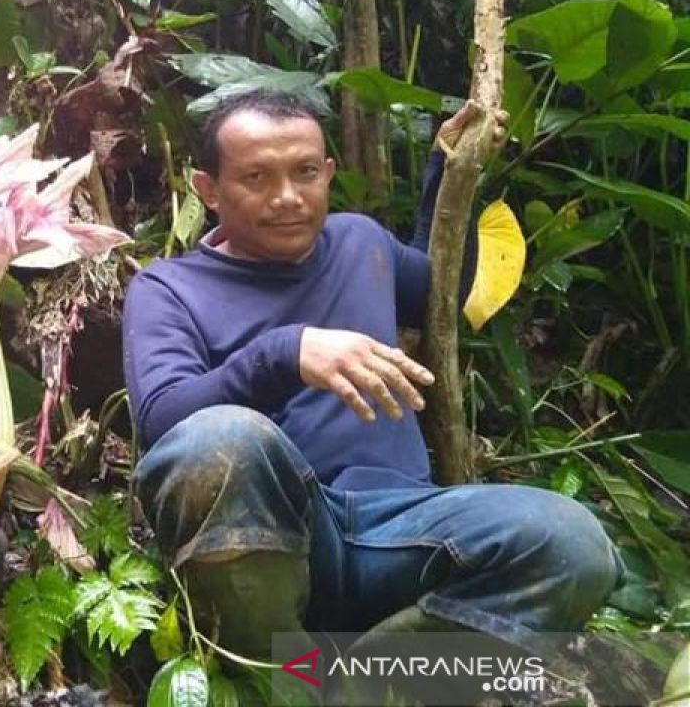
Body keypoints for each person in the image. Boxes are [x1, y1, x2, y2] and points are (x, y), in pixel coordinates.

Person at [121, 89, 624, 678]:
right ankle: (283, 684)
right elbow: (163, 423)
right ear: (208, 190)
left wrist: (449, 170)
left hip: (405, 526)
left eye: (305, 172)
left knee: (573, 545)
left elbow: (441, 292)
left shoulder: (359, 241)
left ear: (327, 172)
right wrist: (285, 353)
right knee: (219, 441)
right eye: (256, 177)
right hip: (280, 537)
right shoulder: (168, 289)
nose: (287, 197)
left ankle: (368, 686)